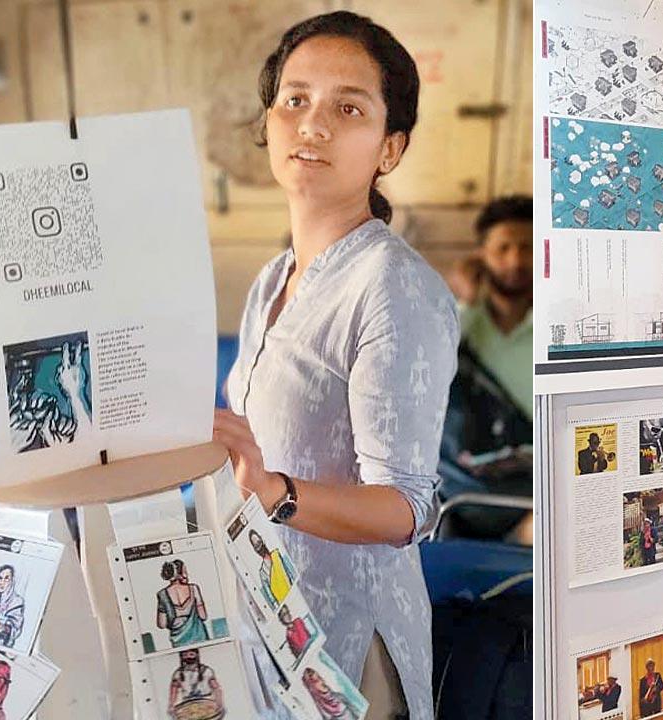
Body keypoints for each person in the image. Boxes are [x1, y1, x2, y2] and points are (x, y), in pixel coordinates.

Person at [212, 13, 459, 717]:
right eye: (295, 99)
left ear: (390, 147)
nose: (312, 124)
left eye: (348, 107)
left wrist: (276, 492)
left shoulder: (393, 284)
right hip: (274, 626)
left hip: (351, 646)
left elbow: (409, 506)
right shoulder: (272, 279)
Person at [453, 196, 533, 419]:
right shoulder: (464, 322)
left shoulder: (555, 327)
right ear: (481, 255)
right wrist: (467, 301)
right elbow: (431, 361)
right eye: (503, 248)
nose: (515, 261)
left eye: (527, 248)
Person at [155, 559, 210, 648]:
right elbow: (203, 616)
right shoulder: (194, 588)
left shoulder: (162, 595)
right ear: (180, 574)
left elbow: (162, 624)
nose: (187, 574)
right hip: (199, 637)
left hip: (178, 641)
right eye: (185, 571)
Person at [169, 649, 224, 720]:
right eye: (185, 655)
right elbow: (174, 689)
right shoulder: (178, 673)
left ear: (196, 655)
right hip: (187, 705)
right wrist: (171, 705)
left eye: (191, 654)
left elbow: (216, 688)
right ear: (181, 657)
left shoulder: (207, 670)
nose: (188, 657)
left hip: (207, 702)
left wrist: (219, 702)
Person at [249, 528, 296, 610]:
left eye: (259, 542)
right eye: (256, 546)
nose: (259, 547)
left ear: (262, 540)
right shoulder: (262, 573)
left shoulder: (276, 554)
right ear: (255, 550)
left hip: (293, 593)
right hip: (283, 605)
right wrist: (278, 607)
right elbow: (271, 598)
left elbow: (289, 574)